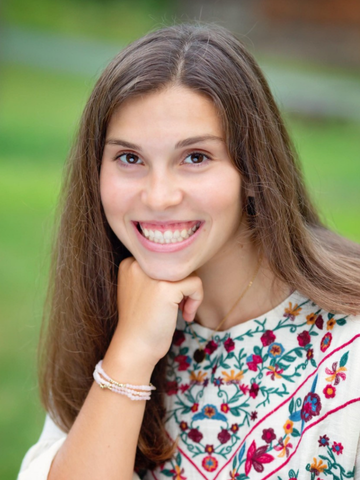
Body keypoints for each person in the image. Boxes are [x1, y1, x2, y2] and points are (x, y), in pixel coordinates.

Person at [18, 23, 360, 480]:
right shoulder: (109, 318)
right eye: (130, 158)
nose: (159, 197)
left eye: (195, 157)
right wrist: (132, 351)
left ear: (253, 169)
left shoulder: (349, 340)